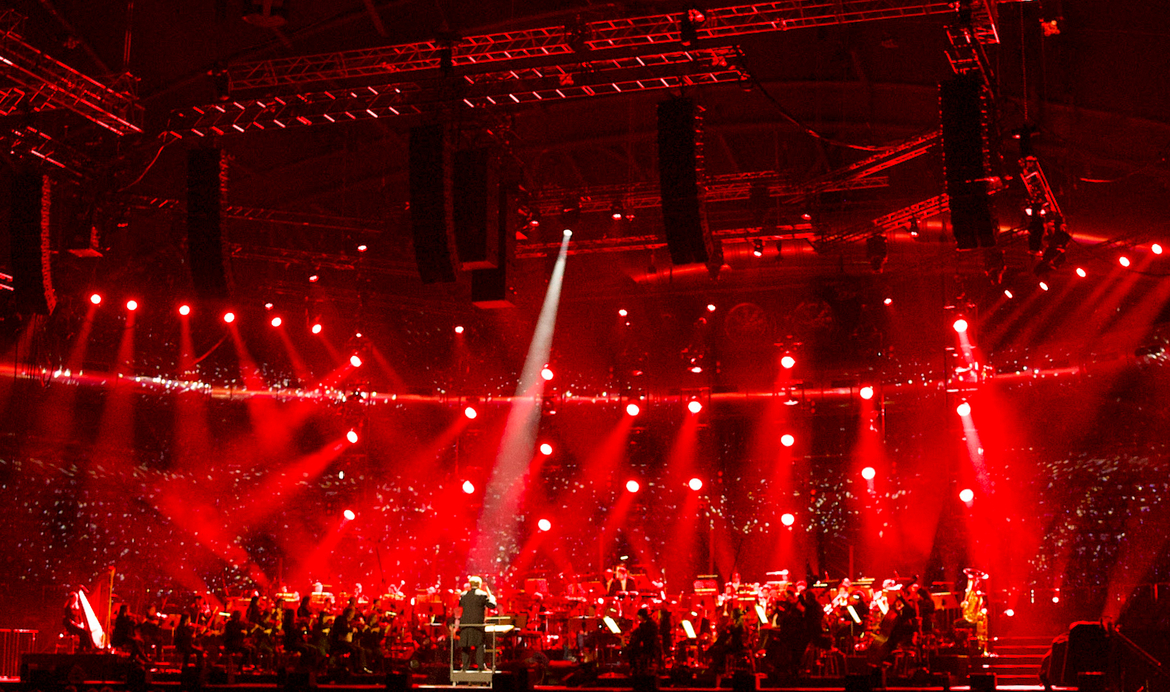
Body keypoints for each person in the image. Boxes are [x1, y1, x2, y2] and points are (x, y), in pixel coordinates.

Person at [457, 576, 497, 671]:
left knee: (465, 645)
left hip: (465, 624)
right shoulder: (482, 594)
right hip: (477, 625)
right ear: (479, 585)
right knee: (479, 645)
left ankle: (464, 667)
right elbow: (492, 605)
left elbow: (460, 604)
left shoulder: (463, 595)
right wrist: (492, 597)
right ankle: (481, 667)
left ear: (470, 584)